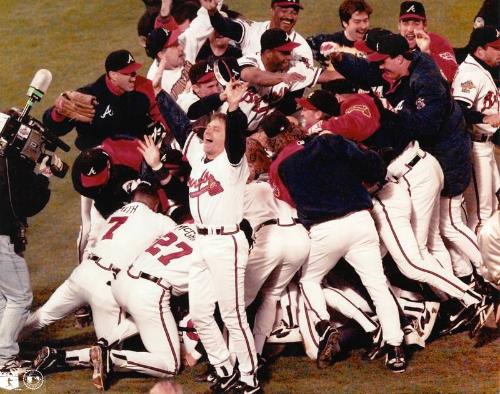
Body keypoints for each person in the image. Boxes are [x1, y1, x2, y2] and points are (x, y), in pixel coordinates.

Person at [157, 80, 262, 392]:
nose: (209, 131)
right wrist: (159, 91)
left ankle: (249, 377)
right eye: (208, 127)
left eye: (217, 129)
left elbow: (237, 135)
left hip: (226, 242)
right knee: (202, 314)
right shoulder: (198, 157)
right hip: (201, 243)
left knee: (232, 314)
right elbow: (179, 118)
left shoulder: (232, 162)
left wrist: (232, 107)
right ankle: (224, 367)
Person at [0, 140, 58, 374]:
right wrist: (43, 175)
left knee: (4, 299)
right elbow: (26, 204)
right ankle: (4, 360)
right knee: (20, 298)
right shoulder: (8, 165)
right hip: (2, 238)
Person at [451, 26, 500, 234]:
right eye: (496, 48)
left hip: (486, 147)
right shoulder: (469, 73)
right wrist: (484, 117)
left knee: (491, 208)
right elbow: (458, 109)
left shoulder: (481, 70)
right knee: (481, 215)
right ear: (480, 50)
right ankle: (481, 266)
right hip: (475, 148)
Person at [200, 0, 313, 63]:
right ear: (272, 11)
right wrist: (213, 12)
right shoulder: (253, 30)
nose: (289, 17)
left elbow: (295, 94)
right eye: (284, 11)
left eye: (294, 13)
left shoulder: (302, 49)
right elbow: (226, 28)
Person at [396, 1, 458, 83]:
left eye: (416, 23)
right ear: (399, 26)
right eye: (405, 23)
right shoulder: (392, 44)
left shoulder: (437, 42)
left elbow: (452, 76)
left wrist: (427, 53)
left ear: (424, 26)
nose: (410, 29)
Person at [307, 0, 373, 64]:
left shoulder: (375, 40)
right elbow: (303, 47)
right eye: (357, 22)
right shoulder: (330, 41)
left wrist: (340, 50)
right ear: (345, 23)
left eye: (365, 21)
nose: (363, 27)